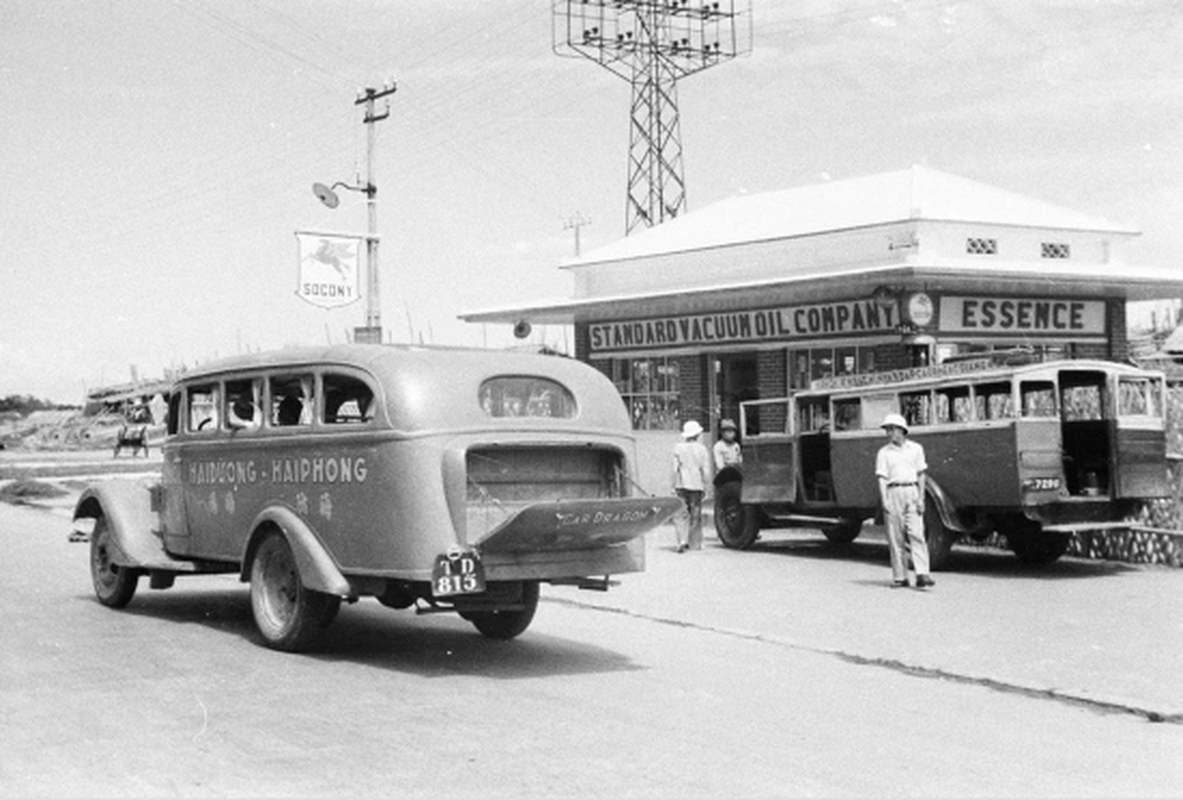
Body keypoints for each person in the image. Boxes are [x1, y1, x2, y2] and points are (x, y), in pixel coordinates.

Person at [876, 413, 935, 589]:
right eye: (887, 430)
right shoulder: (884, 452)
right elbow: (881, 477)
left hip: (912, 491)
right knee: (896, 537)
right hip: (893, 492)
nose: (889, 433)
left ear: (902, 430)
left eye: (892, 429)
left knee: (917, 533)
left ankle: (922, 574)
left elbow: (921, 473)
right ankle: (900, 576)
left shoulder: (916, 449)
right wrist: (884, 499)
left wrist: (921, 498)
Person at [671, 419, 712, 553]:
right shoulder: (702, 449)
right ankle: (695, 543)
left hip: (681, 484)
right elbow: (705, 470)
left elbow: (674, 469)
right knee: (695, 515)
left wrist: (673, 485)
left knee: (680, 514)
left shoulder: (678, 448)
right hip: (696, 485)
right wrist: (707, 486)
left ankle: (681, 541)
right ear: (697, 435)